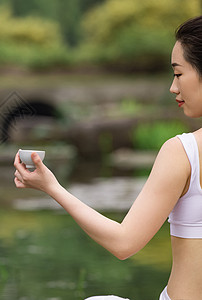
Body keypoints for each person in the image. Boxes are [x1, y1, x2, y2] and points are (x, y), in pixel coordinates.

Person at [13, 15, 202, 300]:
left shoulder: (184, 152)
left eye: (178, 74)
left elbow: (124, 243)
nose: (173, 87)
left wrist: (51, 187)